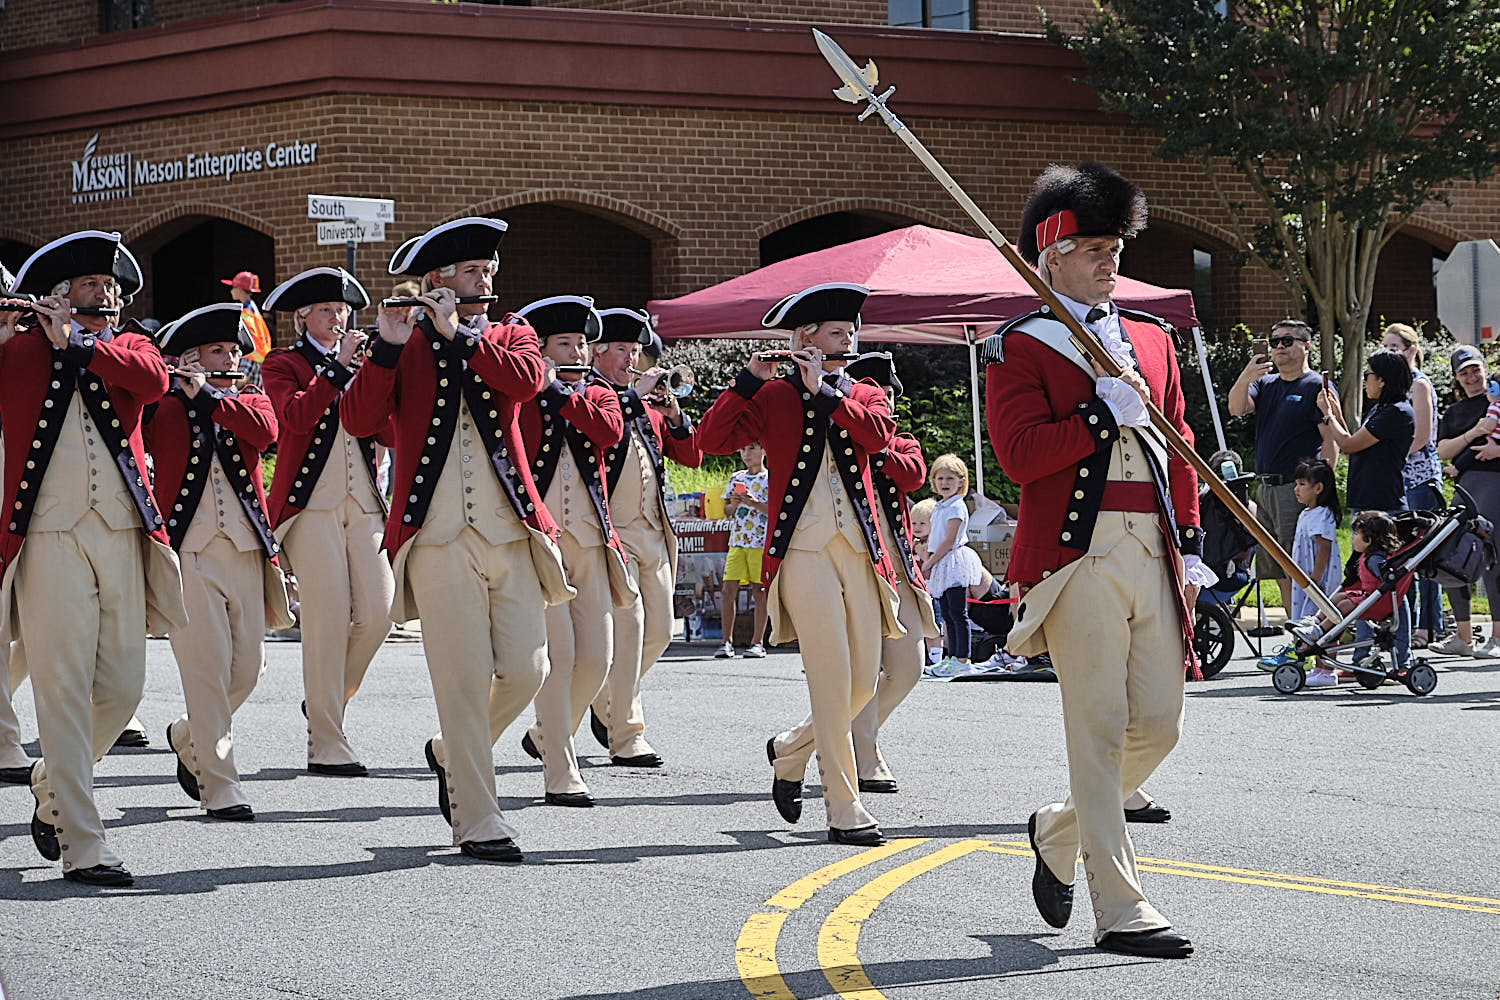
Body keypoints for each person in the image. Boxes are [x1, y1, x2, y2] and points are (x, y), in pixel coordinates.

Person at [986, 162, 1209, 958]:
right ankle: (1121, 908)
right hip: (1075, 558)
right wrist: (1094, 412)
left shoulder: (1152, 338)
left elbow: (1181, 451)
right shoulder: (1020, 345)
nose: (1110, 259)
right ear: (1051, 257)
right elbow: (1018, 456)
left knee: (1160, 725)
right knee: (1101, 727)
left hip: (1152, 547)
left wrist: (1189, 542)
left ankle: (1057, 830)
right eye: (1091, 246)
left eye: (1115, 244)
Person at [342, 216, 574, 862]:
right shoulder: (401, 340)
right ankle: (477, 818)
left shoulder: (510, 335)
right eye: (474, 272)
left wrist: (462, 338)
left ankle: (451, 753)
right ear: (437, 279)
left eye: (489, 272)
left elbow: (529, 382)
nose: (486, 281)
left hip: (510, 531)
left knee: (530, 670)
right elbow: (359, 420)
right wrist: (385, 348)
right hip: (437, 540)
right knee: (464, 682)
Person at [0, 230, 186, 886]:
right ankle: (84, 841)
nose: (105, 296)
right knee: (62, 690)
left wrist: (81, 342)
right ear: (57, 292)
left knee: (123, 688)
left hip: (120, 532)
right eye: (91, 287)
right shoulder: (18, 351)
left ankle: (53, 779)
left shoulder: (127, 344)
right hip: (47, 538)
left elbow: (154, 380)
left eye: (111, 289)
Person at [700, 282, 903, 848]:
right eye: (838, 333)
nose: (850, 341)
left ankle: (790, 750)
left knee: (864, 682)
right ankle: (844, 806)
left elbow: (879, 437)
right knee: (832, 677)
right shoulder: (774, 395)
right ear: (804, 338)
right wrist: (749, 379)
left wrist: (831, 394)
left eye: (852, 332)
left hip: (860, 551)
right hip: (802, 553)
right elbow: (710, 439)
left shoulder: (864, 392)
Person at [146, 303, 293, 820]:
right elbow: (137, 420)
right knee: (207, 671)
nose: (230, 359)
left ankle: (188, 733)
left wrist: (208, 395)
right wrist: (175, 386)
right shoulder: (162, 406)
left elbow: (266, 433)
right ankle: (220, 784)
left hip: (247, 551)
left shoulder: (248, 399)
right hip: (188, 553)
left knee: (248, 668)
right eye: (217, 351)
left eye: (233, 351)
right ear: (191, 357)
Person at [768, 352, 938, 795]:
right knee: (851, 670)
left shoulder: (897, 441)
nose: (886, 406)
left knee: (908, 668)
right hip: (849, 563)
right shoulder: (835, 432)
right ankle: (864, 749)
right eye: (877, 398)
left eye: (888, 400)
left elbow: (914, 475)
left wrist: (873, 443)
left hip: (896, 571)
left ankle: (801, 741)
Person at [262, 267, 395, 777]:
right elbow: (292, 418)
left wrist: (377, 376)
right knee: (328, 619)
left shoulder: (360, 363)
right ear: (302, 316)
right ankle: (326, 741)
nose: (338, 318)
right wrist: (338, 370)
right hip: (309, 505)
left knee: (380, 613)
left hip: (363, 502)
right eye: (326, 310)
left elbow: (383, 433)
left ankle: (326, 701)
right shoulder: (283, 363)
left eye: (342, 310)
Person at [513, 294, 630, 808]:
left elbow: (608, 431)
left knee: (597, 662)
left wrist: (560, 389)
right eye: (565, 343)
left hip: (591, 539)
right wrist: (540, 387)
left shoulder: (599, 394)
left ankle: (539, 734)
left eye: (583, 343)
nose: (578, 352)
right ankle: (560, 766)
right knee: (557, 661)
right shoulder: (520, 396)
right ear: (541, 348)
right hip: (542, 542)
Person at [586, 307, 703, 768]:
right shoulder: (593, 394)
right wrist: (633, 396)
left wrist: (674, 415)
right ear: (597, 351)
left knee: (659, 633)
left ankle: (592, 703)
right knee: (631, 631)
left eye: (635, 351)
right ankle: (627, 733)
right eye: (621, 350)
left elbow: (691, 455)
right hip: (613, 531)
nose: (631, 359)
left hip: (655, 531)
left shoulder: (645, 402)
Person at [1228, 318, 1338, 620]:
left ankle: (1309, 629)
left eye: (1287, 341)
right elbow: (1236, 408)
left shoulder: (1316, 385)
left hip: (1297, 488)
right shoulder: (1264, 384)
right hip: (1265, 488)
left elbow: (1331, 437)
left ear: (1307, 346)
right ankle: (1295, 630)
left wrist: (1322, 488)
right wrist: (1246, 375)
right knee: (1276, 565)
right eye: (1274, 341)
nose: (1279, 347)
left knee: (1299, 563)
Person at [1318, 348, 1414, 673]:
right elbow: (1353, 439)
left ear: (1383, 380)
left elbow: (1346, 445)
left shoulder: (1397, 413)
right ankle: (1363, 659)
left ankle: (1403, 658)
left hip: (1384, 508)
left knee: (1391, 587)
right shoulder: (1382, 410)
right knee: (1365, 584)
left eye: (1368, 375)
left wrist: (1328, 418)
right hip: (1368, 504)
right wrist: (1334, 413)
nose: (1364, 380)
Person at [1432, 346, 1500, 657]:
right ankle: (1463, 635)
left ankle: (1498, 636)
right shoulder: (1455, 412)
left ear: (1484, 370)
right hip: (1465, 487)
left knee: (1489, 552)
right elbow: (1442, 451)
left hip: (1494, 480)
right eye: (1464, 373)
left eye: (1475, 370)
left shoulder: (1498, 400)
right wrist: (1475, 432)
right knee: (1447, 551)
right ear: (1456, 378)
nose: (1471, 377)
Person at [1382, 324, 1443, 647]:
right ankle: (1407, 625)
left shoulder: (1419, 384)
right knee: (1404, 556)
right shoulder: (1392, 387)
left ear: (1410, 349)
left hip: (1420, 480)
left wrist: (1386, 456)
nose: (1388, 352)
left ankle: (1428, 627)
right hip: (1398, 481)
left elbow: (1421, 437)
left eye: (1394, 347)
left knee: (1424, 557)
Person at [922, 453, 984, 676]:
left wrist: (929, 562)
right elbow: (935, 537)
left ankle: (962, 658)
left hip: (953, 561)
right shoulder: (940, 506)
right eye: (940, 479)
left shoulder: (957, 506)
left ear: (961, 482)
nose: (945, 483)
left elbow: (949, 540)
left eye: (950, 479)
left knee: (958, 613)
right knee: (947, 613)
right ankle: (950, 657)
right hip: (941, 561)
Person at [717, 441, 770, 659]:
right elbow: (727, 510)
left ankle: (757, 642)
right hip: (737, 541)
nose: (746, 454)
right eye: (743, 450)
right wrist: (735, 503)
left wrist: (754, 502)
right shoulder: (736, 477)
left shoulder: (770, 478)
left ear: (764, 450)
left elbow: (774, 509)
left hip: (760, 542)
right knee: (728, 590)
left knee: (760, 591)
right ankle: (726, 642)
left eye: (752, 449)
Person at [1288, 458, 1343, 622]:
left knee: (1314, 612)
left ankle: (1317, 645)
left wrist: (1315, 581)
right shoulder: (1305, 513)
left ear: (1318, 488)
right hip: (1304, 573)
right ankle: (1300, 644)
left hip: (1316, 577)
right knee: (1302, 609)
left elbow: (1324, 548)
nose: (1296, 489)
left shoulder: (1322, 514)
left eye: (1302, 484)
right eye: (1296, 484)